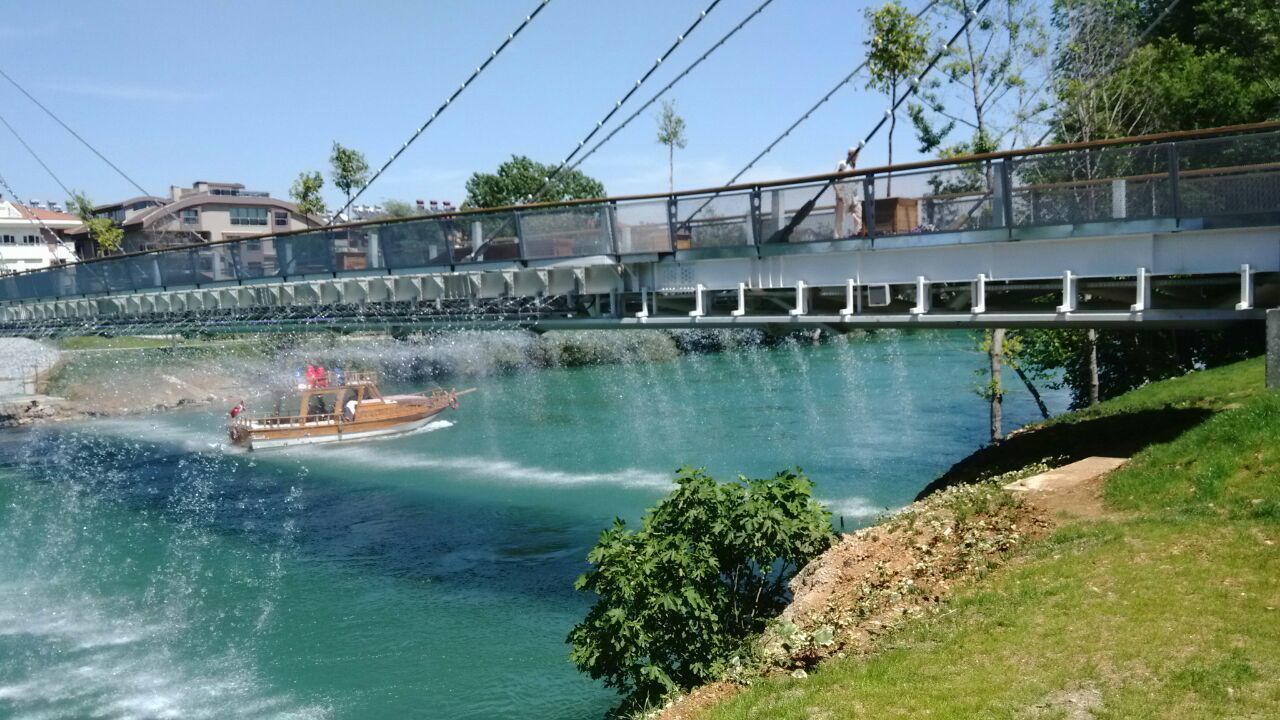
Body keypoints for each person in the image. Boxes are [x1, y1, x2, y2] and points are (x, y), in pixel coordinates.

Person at [834, 146, 864, 238]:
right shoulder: (842, 164)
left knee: (858, 213)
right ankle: (837, 238)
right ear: (849, 155)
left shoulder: (854, 166)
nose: (857, 157)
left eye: (857, 155)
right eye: (855, 154)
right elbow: (833, 179)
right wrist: (838, 193)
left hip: (854, 195)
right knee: (840, 219)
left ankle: (858, 234)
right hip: (844, 195)